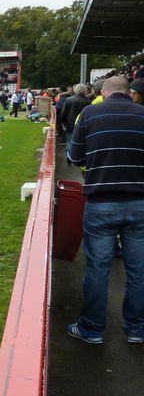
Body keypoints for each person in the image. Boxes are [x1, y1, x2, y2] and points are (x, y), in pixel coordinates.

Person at [66, 76, 144, 344]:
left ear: (104, 93)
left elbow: (75, 157)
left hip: (101, 201)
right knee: (139, 269)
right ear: (129, 93)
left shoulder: (90, 113)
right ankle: (136, 329)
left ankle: (91, 328)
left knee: (98, 268)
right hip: (140, 204)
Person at [60, 83, 91, 157]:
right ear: (85, 91)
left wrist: (63, 123)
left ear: (75, 90)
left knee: (69, 140)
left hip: (70, 124)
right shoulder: (87, 101)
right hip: (82, 124)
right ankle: (78, 156)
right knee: (81, 140)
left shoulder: (69, 100)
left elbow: (63, 113)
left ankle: (69, 155)